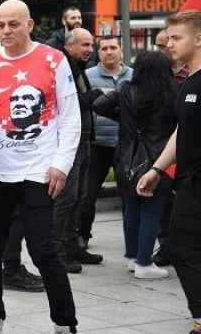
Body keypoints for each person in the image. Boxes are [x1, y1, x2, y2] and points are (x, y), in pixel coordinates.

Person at [0, 0, 79, 334]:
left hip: (38, 170)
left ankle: (64, 322)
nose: (6, 30)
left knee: (43, 248)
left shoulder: (53, 58)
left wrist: (61, 165)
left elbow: (71, 116)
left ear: (30, 25)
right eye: (0, 24)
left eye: (14, 24)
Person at [137, 10, 201, 334]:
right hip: (188, 181)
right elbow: (181, 130)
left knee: (183, 246)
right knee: (181, 246)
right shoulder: (188, 82)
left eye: (177, 38)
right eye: (168, 38)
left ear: (198, 39)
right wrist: (157, 169)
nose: (169, 43)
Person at [93, 51, 177, 279]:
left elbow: (99, 104)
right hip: (159, 160)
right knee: (152, 211)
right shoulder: (172, 94)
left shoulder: (126, 89)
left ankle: (132, 257)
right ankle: (144, 263)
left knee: (131, 209)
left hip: (127, 158)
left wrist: (123, 118)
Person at [54, 28, 105, 273]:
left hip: (84, 139)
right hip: (70, 142)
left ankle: (72, 247)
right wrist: (95, 96)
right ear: (70, 44)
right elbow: (67, 103)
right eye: (85, 45)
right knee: (66, 199)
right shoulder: (62, 65)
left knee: (80, 197)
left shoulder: (77, 66)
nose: (90, 50)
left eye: (91, 45)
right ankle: (57, 253)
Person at [79, 36, 132, 249]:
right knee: (87, 194)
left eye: (113, 48)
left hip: (126, 145)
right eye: (104, 48)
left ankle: (132, 238)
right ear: (98, 53)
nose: (109, 52)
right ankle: (82, 235)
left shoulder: (134, 76)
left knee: (129, 195)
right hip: (97, 145)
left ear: (121, 50)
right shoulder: (88, 76)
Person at [152, 28, 189, 266]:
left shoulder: (191, 74)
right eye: (159, 45)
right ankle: (166, 246)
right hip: (160, 146)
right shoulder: (154, 75)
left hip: (187, 147)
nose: (164, 49)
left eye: (167, 43)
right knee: (163, 202)